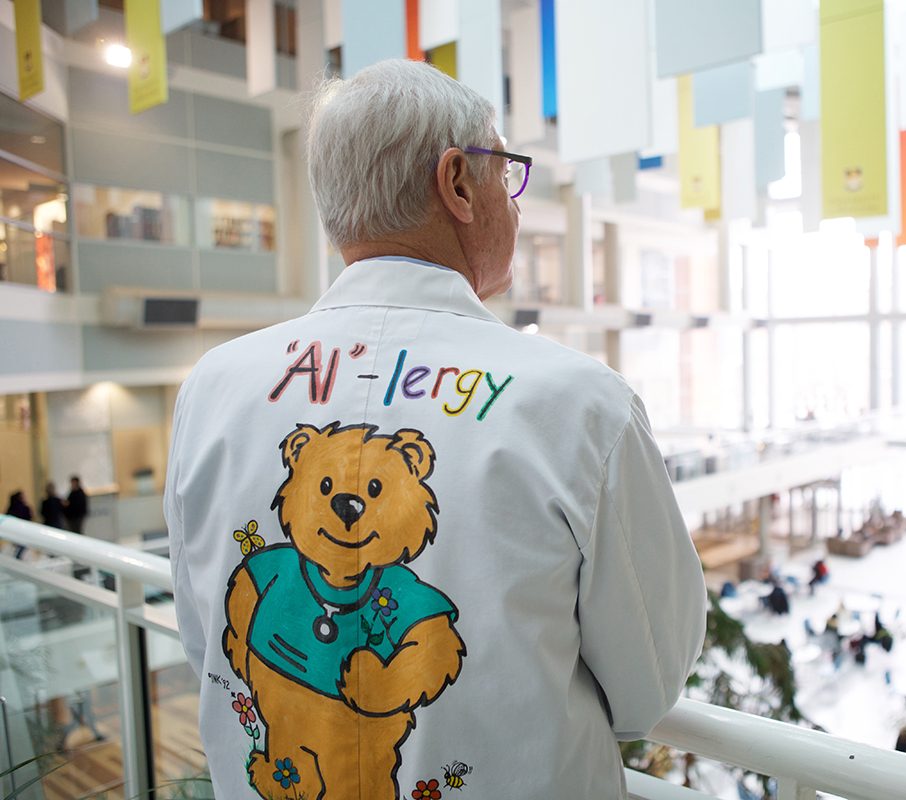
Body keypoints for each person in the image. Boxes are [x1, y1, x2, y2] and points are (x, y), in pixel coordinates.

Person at [164, 59, 707, 800]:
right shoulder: (579, 406)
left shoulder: (212, 390)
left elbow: (208, 639)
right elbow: (649, 687)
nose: (514, 206)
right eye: (506, 174)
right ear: (456, 183)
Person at [6, 490, 32, 558]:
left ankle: (16, 559)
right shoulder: (24, 508)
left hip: (15, 532)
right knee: (22, 547)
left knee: (19, 547)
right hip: (22, 531)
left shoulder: (11, 507)